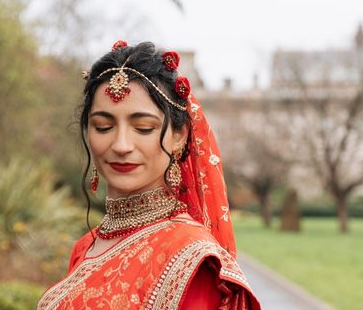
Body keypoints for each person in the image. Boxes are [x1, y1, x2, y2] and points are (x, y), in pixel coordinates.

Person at [37, 41, 261, 310]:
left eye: (143, 128)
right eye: (103, 126)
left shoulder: (194, 262)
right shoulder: (86, 247)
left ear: (179, 137)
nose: (121, 145)